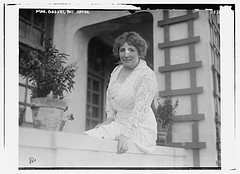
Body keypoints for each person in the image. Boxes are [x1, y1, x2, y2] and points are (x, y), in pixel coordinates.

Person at [85, 31, 158, 154]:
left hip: (139, 128)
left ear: (140, 53)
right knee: (88, 138)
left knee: (103, 146)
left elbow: (141, 110)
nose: (126, 54)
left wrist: (126, 135)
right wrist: (109, 119)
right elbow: (110, 96)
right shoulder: (117, 70)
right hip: (118, 123)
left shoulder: (147, 75)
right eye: (122, 50)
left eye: (131, 50)